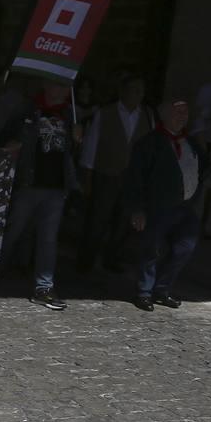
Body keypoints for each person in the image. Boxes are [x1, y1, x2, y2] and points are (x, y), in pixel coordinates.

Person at [123, 98, 211, 311]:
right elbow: (135, 179)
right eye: (179, 112)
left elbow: (205, 176)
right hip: (158, 207)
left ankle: (161, 289)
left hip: (186, 208)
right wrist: (137, 209)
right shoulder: (150, 143)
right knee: (151, 249)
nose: (184, 116)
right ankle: (144, 291)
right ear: (166, 115)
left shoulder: (192, 143)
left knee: (184, 248)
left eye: (186, 112)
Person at [0, 81, 81, 311]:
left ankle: (44, 286)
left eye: (65, 86)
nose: (63, 90)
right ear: (47, 87)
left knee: (48, 238)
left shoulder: (69, 114)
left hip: (56, 186)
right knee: (13, 230)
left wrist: (76, 138)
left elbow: (70, 155)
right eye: (59, 85)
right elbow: (5, 138)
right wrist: (12, 145)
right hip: (29, 183)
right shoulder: (27, 111)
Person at [77, 73, 154, 273]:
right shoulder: (106, 113)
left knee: (123, 221)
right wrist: (88, 176)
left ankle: (111, 257)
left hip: (132, 179)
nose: (138, 94)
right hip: (107, 174)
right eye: (134, 89)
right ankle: (86, 259)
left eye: (141, 91)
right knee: (98, 219)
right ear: (123, 91)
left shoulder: (147, 115)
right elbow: (91, 147)